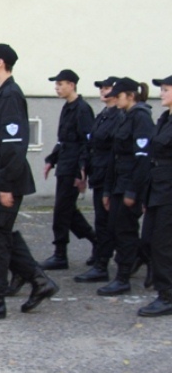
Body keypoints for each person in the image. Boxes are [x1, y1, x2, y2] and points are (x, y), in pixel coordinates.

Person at [0, 44, 58, 322]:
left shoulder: (10, 96)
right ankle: (39, 281)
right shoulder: (2, 94)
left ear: (0, 63)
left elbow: (14, 146)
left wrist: (5, 185)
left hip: (6, 178)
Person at [97, 77, 154, 296]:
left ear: (130, 96)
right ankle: (149, 259)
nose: (115, 99)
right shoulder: (124, 116)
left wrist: (133, 191)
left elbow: (142, 159)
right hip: (118, 183)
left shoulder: (141, 118)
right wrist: (107, 189)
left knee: (125, 231)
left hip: (130, 183)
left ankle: (123, 278)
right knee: (114, 228)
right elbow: (115, 156)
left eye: (118, 96)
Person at [40, 69, 96, 270]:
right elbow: (62, 140)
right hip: (64, 164)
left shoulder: (82, 109)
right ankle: (97, 241)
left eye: (60, 84)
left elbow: (87, 142)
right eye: (56, 85)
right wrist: (51, 160)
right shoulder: (67, 108)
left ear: (71, 85)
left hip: (73, 167)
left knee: (62, 211)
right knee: (68, 210)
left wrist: (82, 169)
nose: (57, 88)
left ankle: (60, 254)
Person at [74, 76, 121, 283]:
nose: (103, 91)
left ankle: (104, 264)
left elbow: (113, 150)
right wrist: (84, 167)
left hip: (110, 176)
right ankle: (104, 259)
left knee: (110, 223)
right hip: (98, 174)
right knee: (103, 221)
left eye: (107, 88)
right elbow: (91, 143)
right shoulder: (103, 115)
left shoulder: (119, 116)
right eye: (101, 88)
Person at [138, 75, 172, 316]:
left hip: (169, 190)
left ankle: (167, 296)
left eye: (167, 89)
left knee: (162, 244)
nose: (162, 93)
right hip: (157, 188)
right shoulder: (164, 118)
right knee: (149, 239)